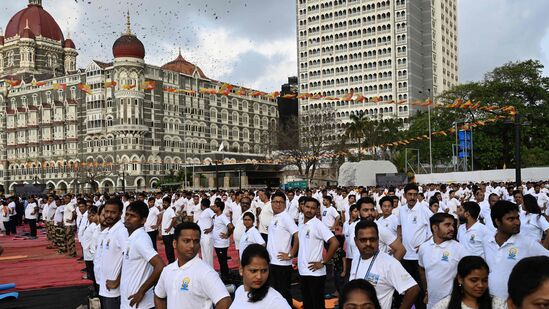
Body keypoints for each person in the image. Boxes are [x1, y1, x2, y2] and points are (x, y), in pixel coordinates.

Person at [482, 200, 549, 306]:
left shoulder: (527, 243)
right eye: (511, 219)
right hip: (488, 300)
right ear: (498, 222)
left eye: (517, 218)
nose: (517, 222)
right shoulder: (487, 241)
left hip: (512, 303)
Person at [154, 222, 232, 309]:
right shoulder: (167, 270)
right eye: (186, 241)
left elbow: (225, 302)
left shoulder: (205, 272)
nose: (192, 246)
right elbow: (159, 297)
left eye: (196, 241)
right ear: (175, 243)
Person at [350, 220, 419, 309]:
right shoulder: (356, 259)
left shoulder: (389, 263)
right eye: (363, 240)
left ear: (378, 240)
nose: (368, 243)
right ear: (356, 241)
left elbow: (413, 289)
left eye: (372, 239)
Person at [120, 201, 165, 309]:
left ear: (143, 220)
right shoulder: (132, 237)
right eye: (127, 214)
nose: (128, 218)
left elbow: (160, 265)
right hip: (129, 301)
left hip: (141, 304)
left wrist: (141, 291)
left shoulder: (140, 238)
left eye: (133, 216)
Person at [297, 197, 339, 309]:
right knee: (308, 304)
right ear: (302, 207)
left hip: (315, 274)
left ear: (316, 210)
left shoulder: (317, 224)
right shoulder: (301, 224)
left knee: (317, 305)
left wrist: (324, 262)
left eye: (313, 208)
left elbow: (334, 242)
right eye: (307, 207)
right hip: (303, 271)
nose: (309, 210)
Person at [418, 213, 465, 309]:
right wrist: (427, 291)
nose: (452, 228)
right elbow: (422, 269)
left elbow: (468, 273)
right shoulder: (424, 248)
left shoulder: (459, 248)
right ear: (435, 228)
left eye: (453, 225)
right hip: (431, 303)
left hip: (452, 304)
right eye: (447, 225)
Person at [398, 183, 432, 309]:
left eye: (414, 194)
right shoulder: (401, 210)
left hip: (419, 257)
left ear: (418, 195)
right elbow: (400, 227)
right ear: (405, 195)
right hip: (406, 256)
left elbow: (434, 228)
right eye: (409, 194)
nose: (412, 197)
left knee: (421, 288)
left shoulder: (423, 209)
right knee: (409, 287)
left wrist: (424, 245)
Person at [229, 244, 291, 308]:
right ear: (241, 270)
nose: (259, 276)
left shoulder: (274, 300)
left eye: (264, 271)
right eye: (253, 271)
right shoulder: (240, 291)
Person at [266, 191, 299, 307]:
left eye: (281, 202)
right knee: (274, 294)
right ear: (271, 203)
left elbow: (297, 235)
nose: (278, 204)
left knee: (283, 294)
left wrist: (291, 254)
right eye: (275, 202)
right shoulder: (275, 217)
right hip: (273, 262)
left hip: (282, 264)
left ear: (285, 204)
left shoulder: (286, 217)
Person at [97, 198, 129, 309]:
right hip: (104, 285)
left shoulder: (121, 232)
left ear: (120, 213)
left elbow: (129, 258)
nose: (109, 215)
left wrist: (117, 281)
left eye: (113, 212)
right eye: (106, 211)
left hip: (114, 289)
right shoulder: (108, 231)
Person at [212, 199, 234, 281]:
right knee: (221, 261)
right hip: (217, 243)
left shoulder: (223, 217)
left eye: (215, 206)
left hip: (222, 243)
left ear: (219, 208)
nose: (213, 208)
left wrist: (227, 235)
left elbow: (231, 227)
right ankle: (224, 275)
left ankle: (226, 277)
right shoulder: (216, 217)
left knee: (223, 261)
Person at [197, 198, 215, 267]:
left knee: (208, 257)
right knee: (204, 257)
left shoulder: (208, 210)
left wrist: (211, 228)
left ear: (202, 205)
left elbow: (216, 218)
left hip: (207, 237)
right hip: (202, 237)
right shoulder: (204, 212)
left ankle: (211, 273)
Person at [160, 196, 177, 263]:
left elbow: (174, 219)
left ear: (169, 204)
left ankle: (171, 262)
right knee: (167, 249)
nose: (164, 204)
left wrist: (169, 228)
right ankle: (170, 261)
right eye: (163, 203)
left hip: (169, 233)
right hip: (165, 233)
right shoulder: (166, 210)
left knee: (169, 249)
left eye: (166, 203)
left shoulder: (170, 210)